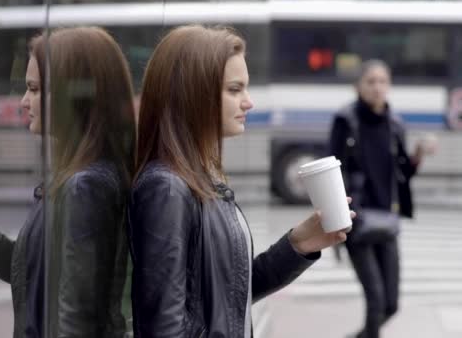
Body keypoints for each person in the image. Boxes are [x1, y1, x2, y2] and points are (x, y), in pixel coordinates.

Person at [128, 25, 354, 338]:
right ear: (195, 92)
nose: (248, 102)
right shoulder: (166, 188)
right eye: (235, 90)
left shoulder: (200, 177)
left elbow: (228, 298)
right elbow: (163, 328)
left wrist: (300, 244)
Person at [0, 27, 136, 338]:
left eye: (36, 89)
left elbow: (75, 318)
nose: (24, 102)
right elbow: (42, 276)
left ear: (74, 95)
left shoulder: (85, 185)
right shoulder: (86, 174)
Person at [328, 59, 437, 338]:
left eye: (382, 81)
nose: (377, 87)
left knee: (391, 305)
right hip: (357, 221)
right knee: (375, 302)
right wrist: (338, 217)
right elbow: (331, 171)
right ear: (358, 86)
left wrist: (418, 156)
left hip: (386, 222)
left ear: (389, 86)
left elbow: (402, 175)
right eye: (371, 81)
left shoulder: (395, 125)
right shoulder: (345, 121)